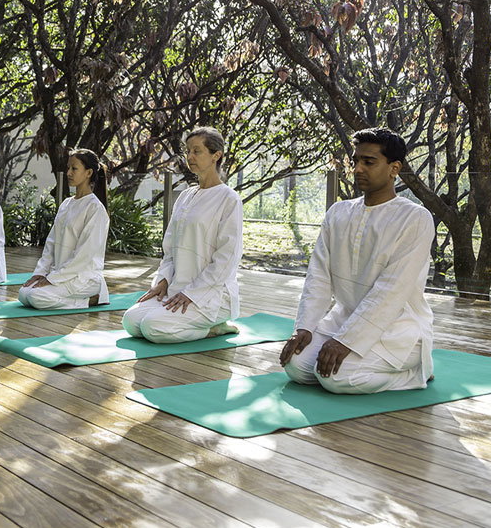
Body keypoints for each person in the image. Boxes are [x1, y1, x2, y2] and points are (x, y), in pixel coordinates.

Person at [279, 127, 435, 394]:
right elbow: (318, 277)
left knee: (334, 378)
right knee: (295, 365)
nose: (358, 168)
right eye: (356, 161)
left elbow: (391, 291)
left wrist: (348, 341)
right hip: (343, 319)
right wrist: (304, 327)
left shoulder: (415, 219)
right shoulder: (339, 212)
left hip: (398, 330)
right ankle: (353, 357)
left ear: (394, 168)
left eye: (369, 162)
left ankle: (416, 373)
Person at [122, 126, 242, 342]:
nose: (190, 156)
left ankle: (214, 327)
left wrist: (192, 293)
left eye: (197, 151)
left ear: (216, 155)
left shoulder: (229, 199)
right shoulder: (185, 196)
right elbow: (169, 250)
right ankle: (185, 316)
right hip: (175, 288)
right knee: (131, 321)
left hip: (210, 295)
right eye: (188, 151)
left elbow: (227, 259)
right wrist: (163, 282)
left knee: (152, 327)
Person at [18, 148, 110, 309]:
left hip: (83, 278)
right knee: (24, 294)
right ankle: (72, 295)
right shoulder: (67, 203)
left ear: (88, 173)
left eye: (74, 168)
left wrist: (53, 279)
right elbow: (51, 244)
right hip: (61, 275)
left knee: (36, 297)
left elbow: (84, 255)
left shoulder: (95, 209)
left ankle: (89, 300)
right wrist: (40, 273)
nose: (68, 173)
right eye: (68, 168)